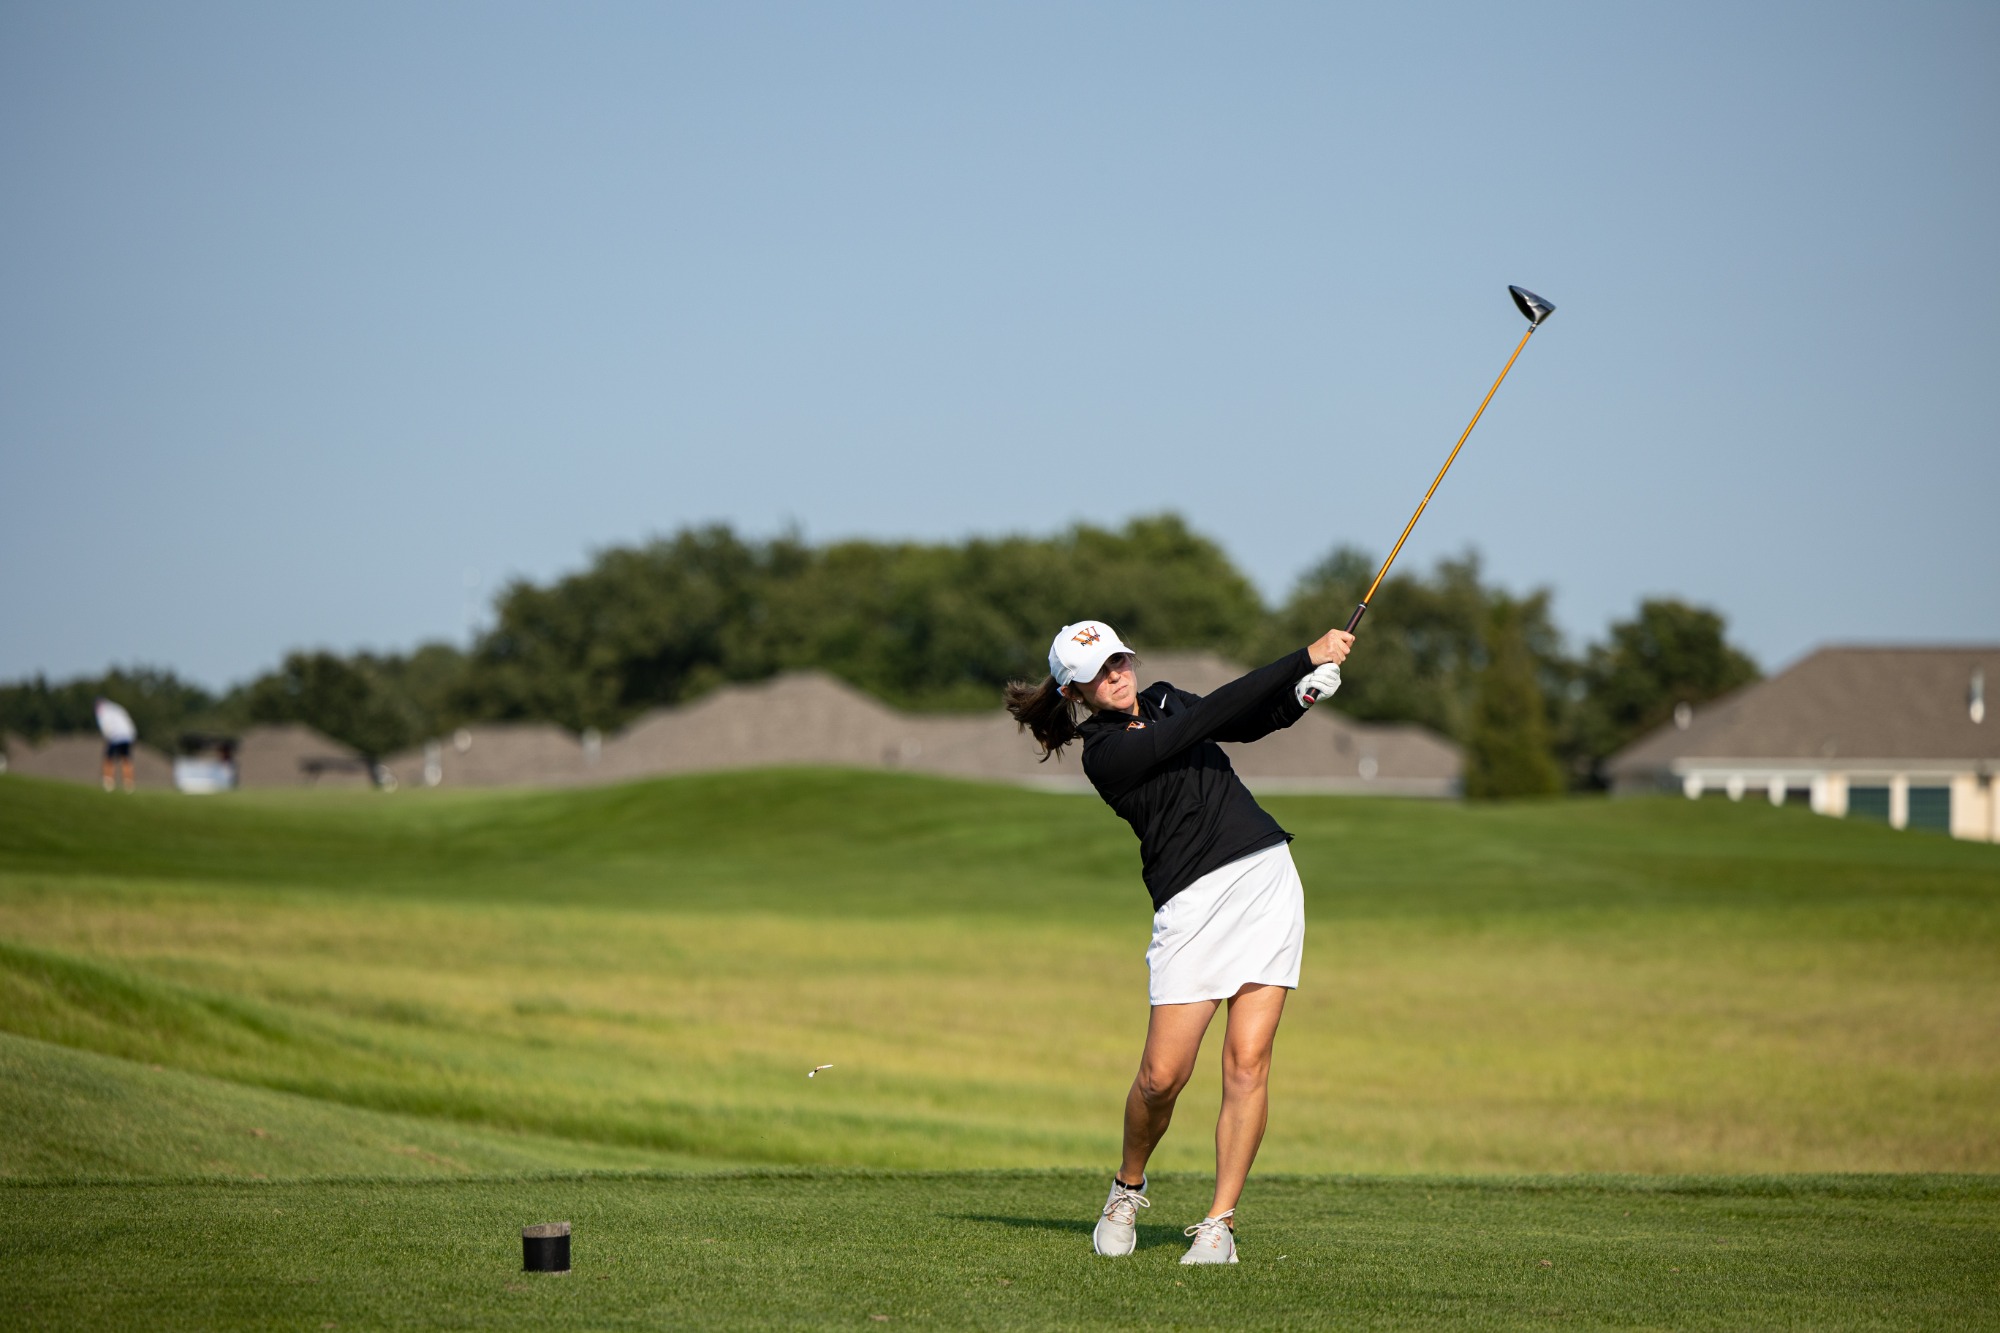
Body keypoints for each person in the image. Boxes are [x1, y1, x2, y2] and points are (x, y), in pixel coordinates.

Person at [1005, 619, 1352, 1265]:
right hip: (1191, 907)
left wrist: (1300, 695)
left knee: (1247, 1061)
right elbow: (1208, 716)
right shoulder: (1103, 754)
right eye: (1098, 672)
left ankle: (1219, 1224)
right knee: (1162, 1077)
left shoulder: (1164, 696)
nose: (1116, 673)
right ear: (1074, 691)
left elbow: (1243, 721)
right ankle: (1127, 1186)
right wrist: (1303, 654)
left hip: (1264, 877)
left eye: (1118, 659)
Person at [95, 696, 138, 792]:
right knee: (126, 759)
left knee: (109, 758)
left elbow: (105, 725)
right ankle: (129, 784)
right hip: (127, 735)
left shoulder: (101, 710)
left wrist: (107, 737)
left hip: (115, 735)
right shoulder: (117, 707)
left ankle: (108, 782)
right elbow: (128, 721)